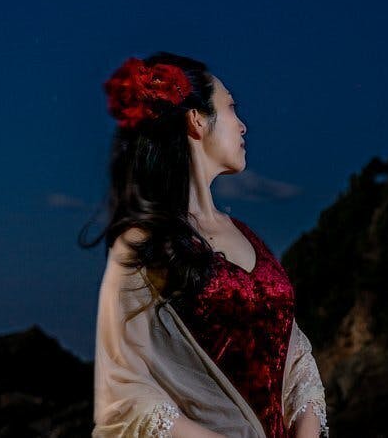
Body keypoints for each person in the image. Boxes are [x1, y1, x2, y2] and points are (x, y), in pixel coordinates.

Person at [86, 53, 327, 438]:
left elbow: (295, 358)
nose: (244, 125)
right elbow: (125, 390)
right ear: (196, 119)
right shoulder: (145, 243)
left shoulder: (248, 235)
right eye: (231, 108)